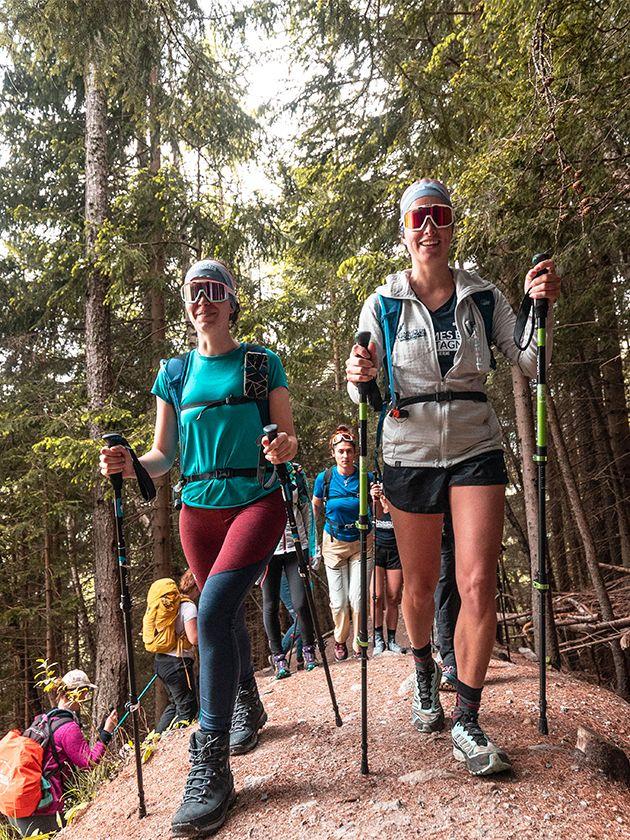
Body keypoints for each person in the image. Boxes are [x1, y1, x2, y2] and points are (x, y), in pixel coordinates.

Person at [346, 178, 561, 775]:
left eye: (438, 216)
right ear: (404, 231)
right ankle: (423, 667)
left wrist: (540, 307)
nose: (428, 228)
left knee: (477, 582)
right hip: (409, 450)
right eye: (417, 218)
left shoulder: (484, 296)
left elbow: (532, 361)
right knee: (417, 588)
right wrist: (359, 376)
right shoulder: (383, 303)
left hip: (474, 446)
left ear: (452, 225)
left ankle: (467, 717)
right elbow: (362, 384)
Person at [100, 258, 297, 837]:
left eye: (213, 290)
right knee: (222, 614)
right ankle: (247, 702)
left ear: (232, 300)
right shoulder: (175, 372)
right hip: (197, 511)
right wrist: (130, 464)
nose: (202, 300)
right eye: (192, 291)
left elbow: (286, 437)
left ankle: (211, 762)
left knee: (210, 612)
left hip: (256, 501)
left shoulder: (260, 363)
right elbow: (163, 455)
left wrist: (283, 449)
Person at [8, 670, 117, 837]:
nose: (86, 697)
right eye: (85, 692)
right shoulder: (68, 728)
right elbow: (90, 763)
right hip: (42, 811)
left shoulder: (44, 719)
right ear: (78, 693)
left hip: (19, 806)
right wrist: (107, 732)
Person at [312, 425, 374, 661]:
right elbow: (316, 506)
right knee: (339, 603)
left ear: (355, 452)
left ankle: (359, 643)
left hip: (361, 543)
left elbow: (379, 510)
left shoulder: (366, 478)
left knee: (358, 599)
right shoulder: (325, 478)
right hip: (334, 544)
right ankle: (340, 639)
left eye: (349, 451)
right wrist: (313, 540)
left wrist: (377, 498)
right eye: (341, 451)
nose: (345, 455)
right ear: (333, 453)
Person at [261, 462, 318, 677]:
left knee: (301, 602)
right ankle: (279, 657)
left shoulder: (294, 472)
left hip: (296, 546)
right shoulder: (255, 472)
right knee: (270, 604)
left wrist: (312, 547)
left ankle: (309, 650)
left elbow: (306, 509)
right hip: (268, 550)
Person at [154, 570, 200, 734]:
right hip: (177, 664)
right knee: (187, 709)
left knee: (175, 704)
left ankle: (155, 738)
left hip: (161, 661)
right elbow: (194, 638)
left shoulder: (172, 604)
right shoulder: (188, 606)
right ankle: (178, 742)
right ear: (196, 587)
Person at [370, 481, 406, 655]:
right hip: (377, 550)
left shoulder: (400, 496)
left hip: (396, 552)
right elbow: (371, 517)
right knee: (376, 596)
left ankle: (391, 639)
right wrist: (374, 498)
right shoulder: (374, 497)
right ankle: (378, 638)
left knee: (393, 596)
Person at [434, 512, 460, 690]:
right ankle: (450, 660)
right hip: (440, 528)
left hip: (464, 525)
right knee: (445, 593)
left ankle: (460, 658)